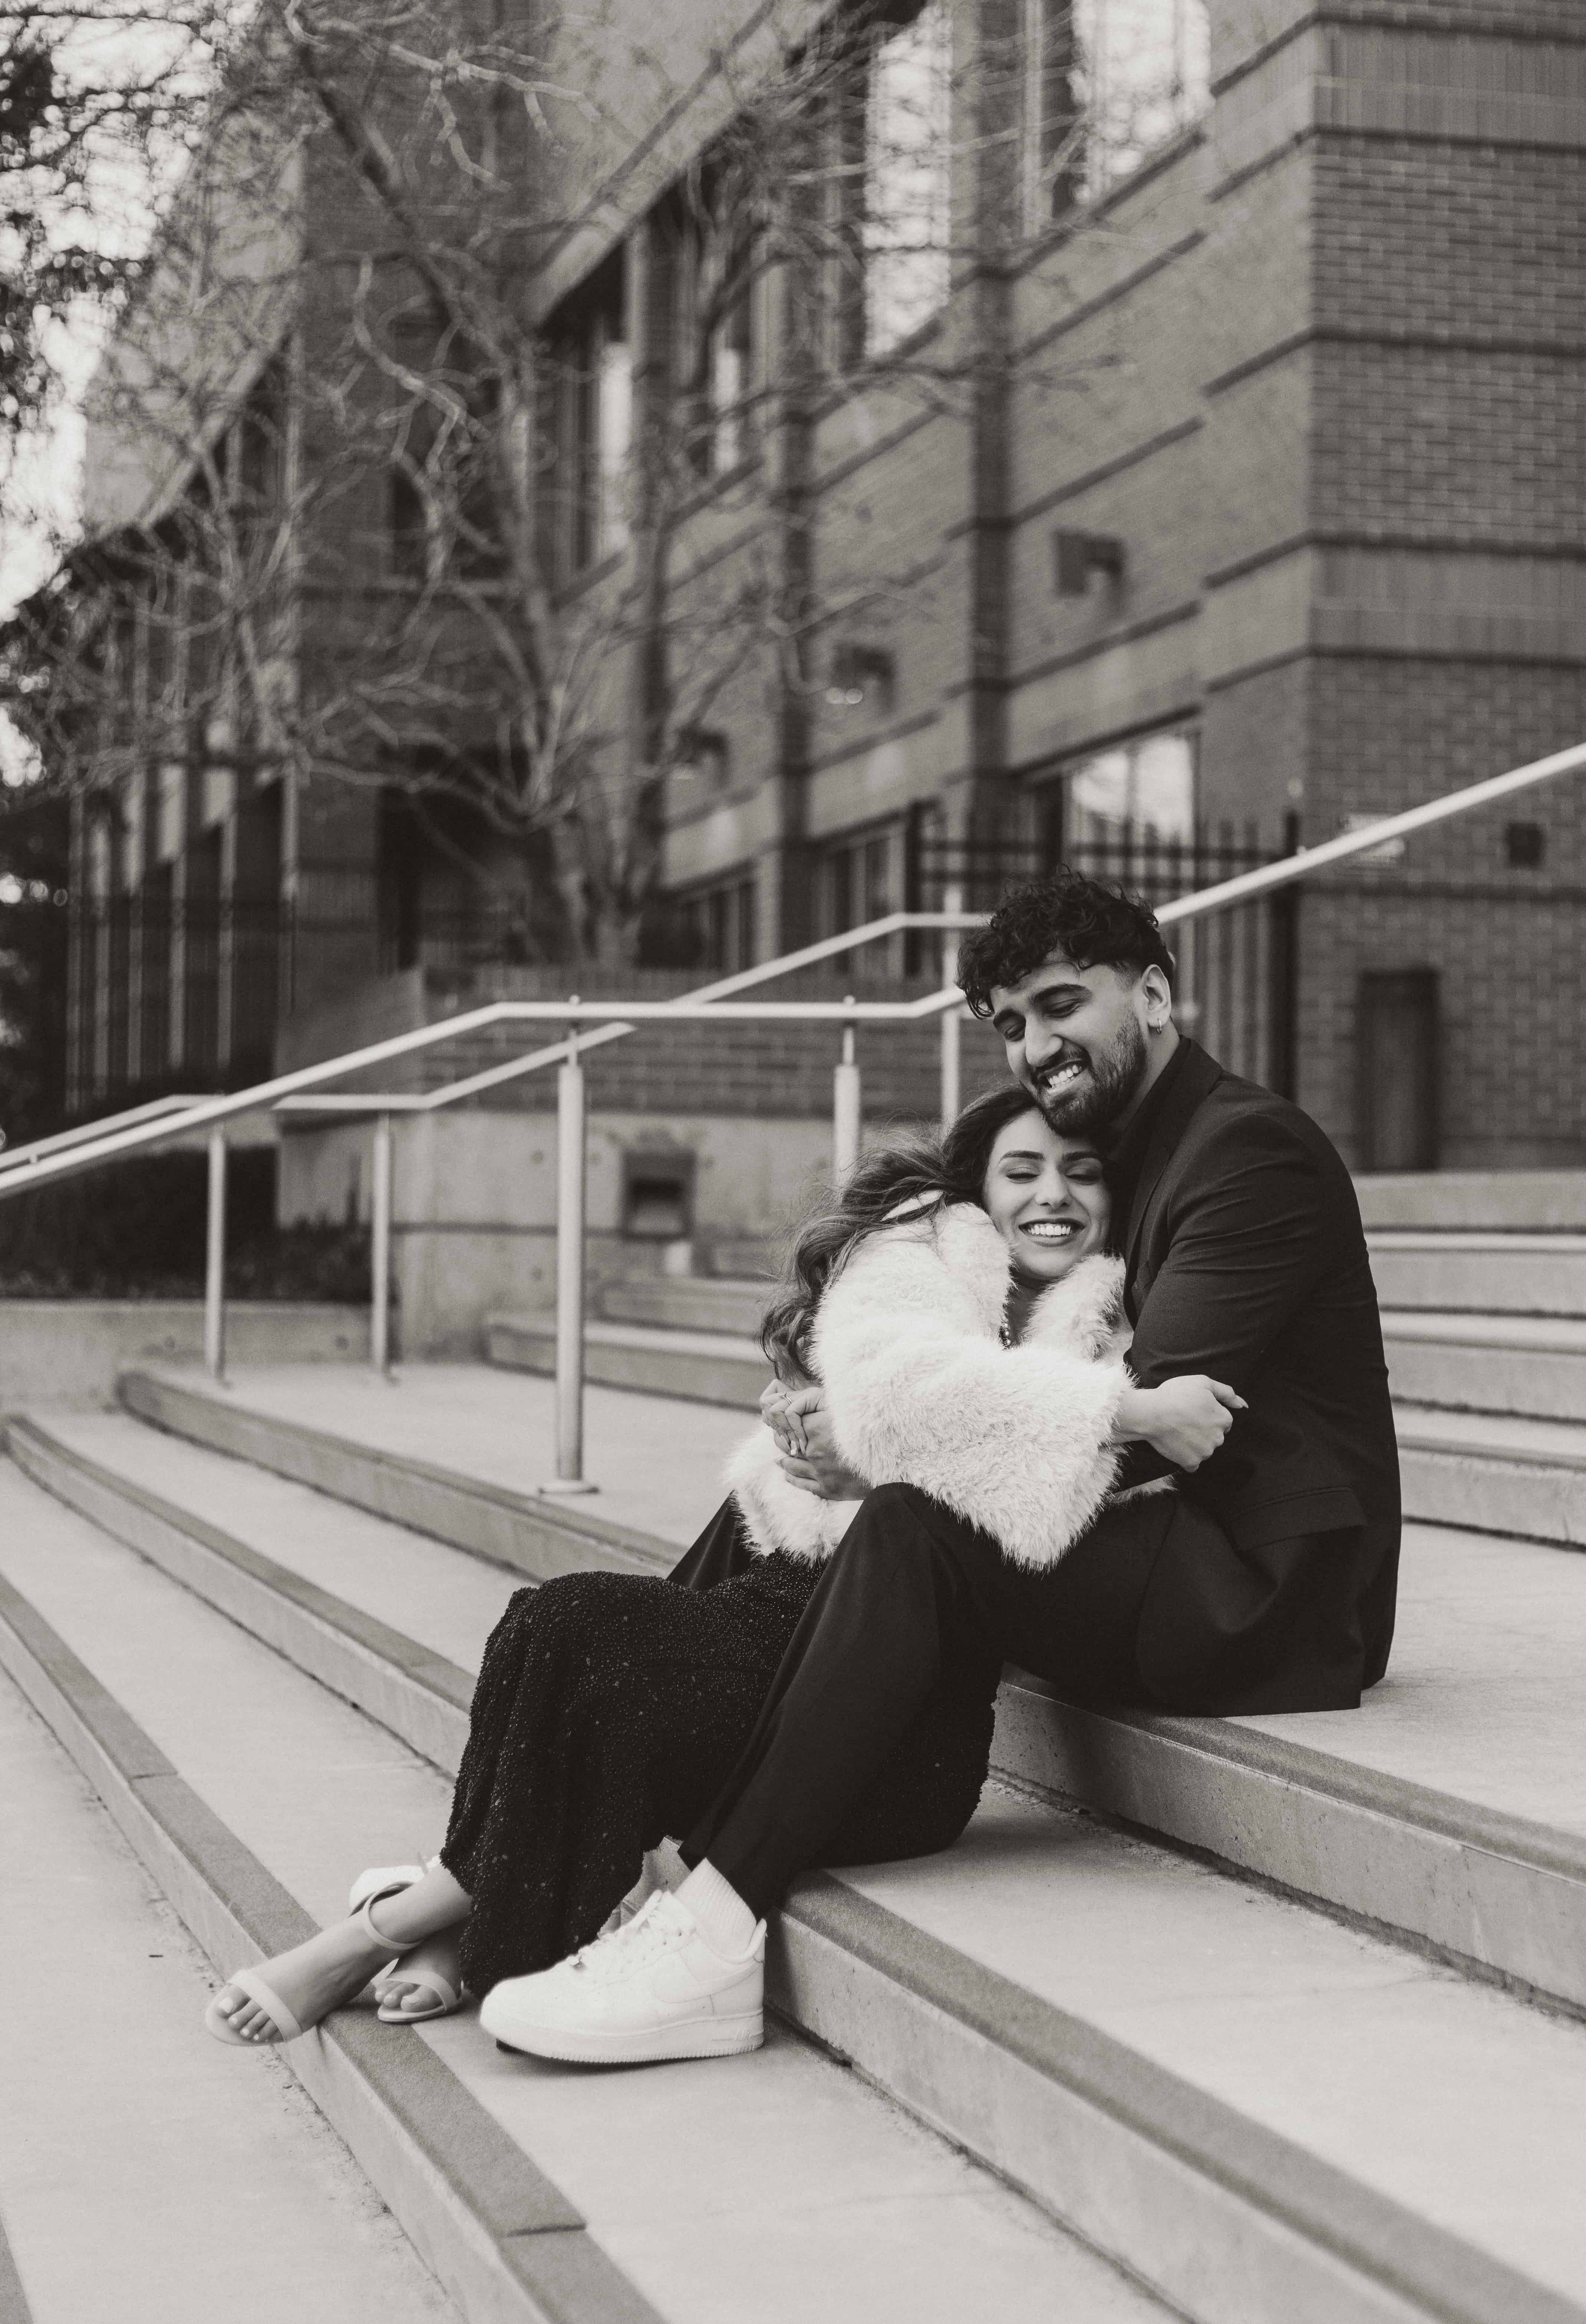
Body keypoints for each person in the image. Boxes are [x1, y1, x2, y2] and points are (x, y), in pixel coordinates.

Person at [204, 1073, 1236, 2053]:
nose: (1053, 1195)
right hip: (777, 1641)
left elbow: (1002, 1466)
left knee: (585, 1633)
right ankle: (465, 1910)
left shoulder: (1103, 1348)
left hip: (892, 1733)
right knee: (555, 1621)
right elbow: (899, 1400)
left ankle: (385, 1928)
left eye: (1082, 1173)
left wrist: (950, 1437)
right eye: (1023, 1171)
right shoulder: (919, 1303)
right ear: (977, 1197)